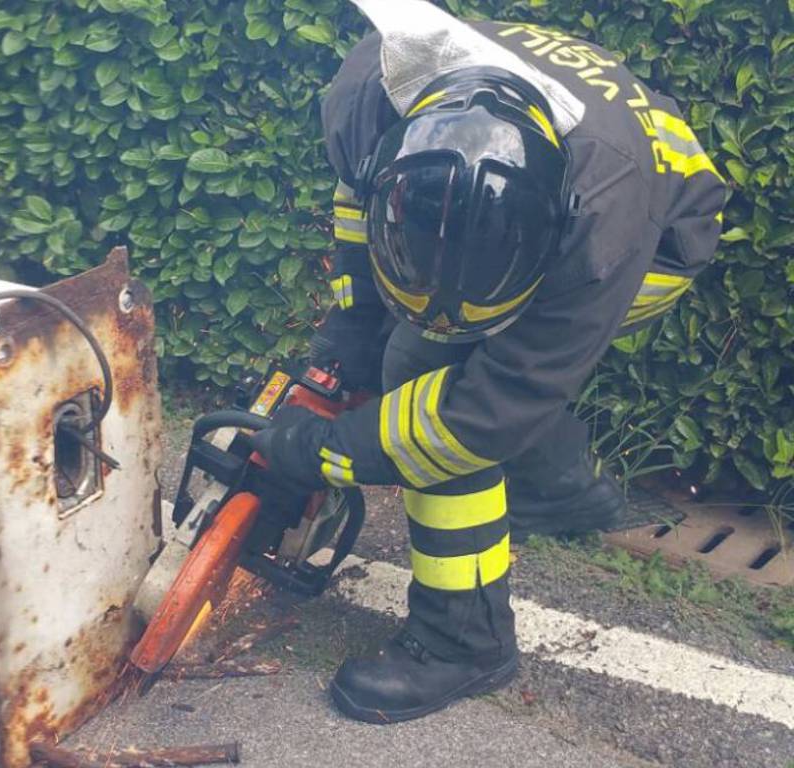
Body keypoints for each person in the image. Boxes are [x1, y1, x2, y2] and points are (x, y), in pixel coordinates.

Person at [249, 0, 726, 725]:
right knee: (429, 350)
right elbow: (355, 208)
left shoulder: (603, 229)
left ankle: (464, 645)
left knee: (433, 376)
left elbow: (485, 409)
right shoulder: (369, 93)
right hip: (583, 189)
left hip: (662, 237)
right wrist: (353, 323)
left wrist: (328, 452)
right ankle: (562, 490)